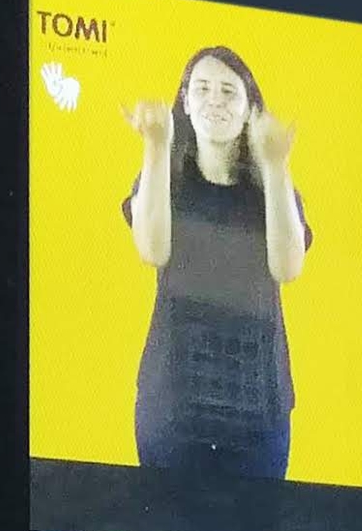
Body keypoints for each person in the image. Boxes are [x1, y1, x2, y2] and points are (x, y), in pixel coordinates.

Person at [122, 47, 308, 479]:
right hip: (172, 401)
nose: (214, 101)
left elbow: (288, 267)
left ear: (250, 109)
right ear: (185, 103)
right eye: (202, 89)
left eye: (229, 91)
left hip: (258, 404)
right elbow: (151, 249)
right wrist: (155, 145)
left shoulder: (272, 188)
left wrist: (276, 166)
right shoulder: (163, 177)